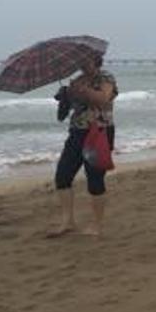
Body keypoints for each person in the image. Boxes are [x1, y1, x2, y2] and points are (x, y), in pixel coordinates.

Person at [48, 56, 118, 238]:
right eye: (80, 62)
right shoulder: (77, 80)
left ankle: (97, 225)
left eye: (86, 62)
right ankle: (68, 221)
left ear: (96, 62)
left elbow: (103, 99)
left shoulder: (106, 78)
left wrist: (84, 90)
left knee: (94, 179)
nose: (82, 65)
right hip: (76, 132)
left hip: (99, 132)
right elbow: (63, 115)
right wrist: (65, 97)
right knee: (62, 176)